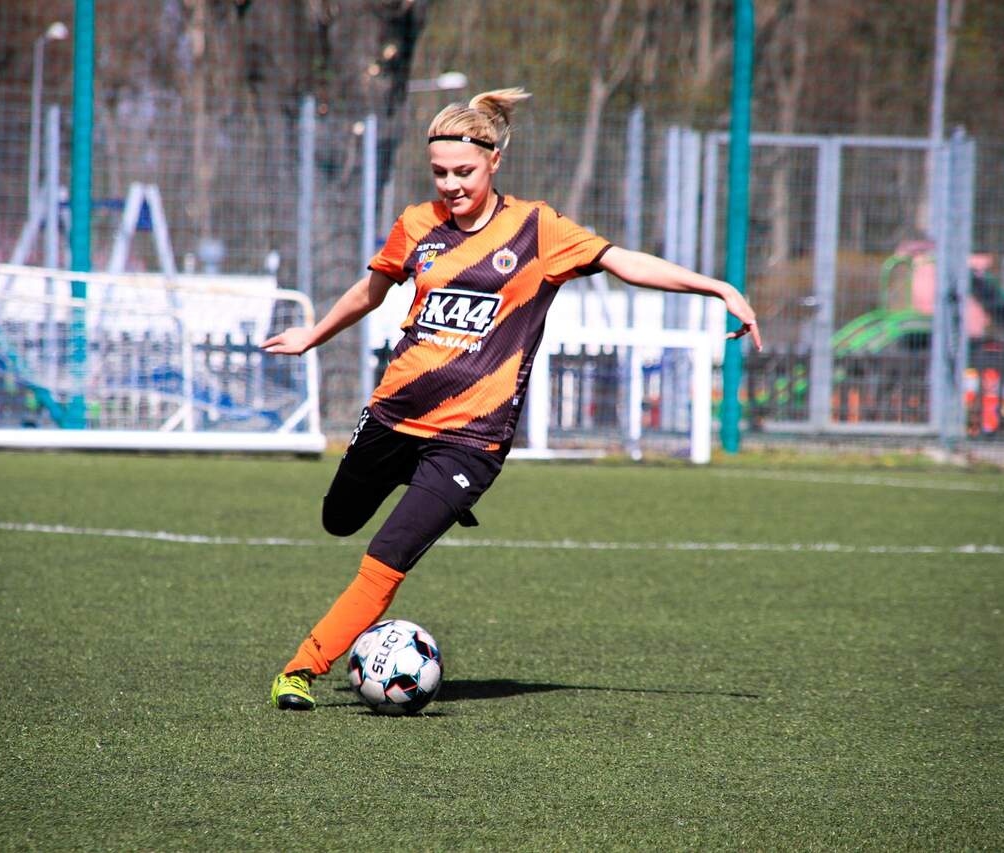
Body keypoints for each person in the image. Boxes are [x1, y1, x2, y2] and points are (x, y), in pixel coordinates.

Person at [262, 88, 760, 710]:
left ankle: (300, 671)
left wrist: (718, 288)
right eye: (440, 172)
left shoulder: (537, 230)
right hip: (394, 415)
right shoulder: (417, 225)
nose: (451, 184)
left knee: (388, 554)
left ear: (494, 160)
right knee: (339, 518)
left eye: (463, 172)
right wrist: (313, 335)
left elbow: (624, 262)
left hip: (471, 441)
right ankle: (376, 530)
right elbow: (371, 291)